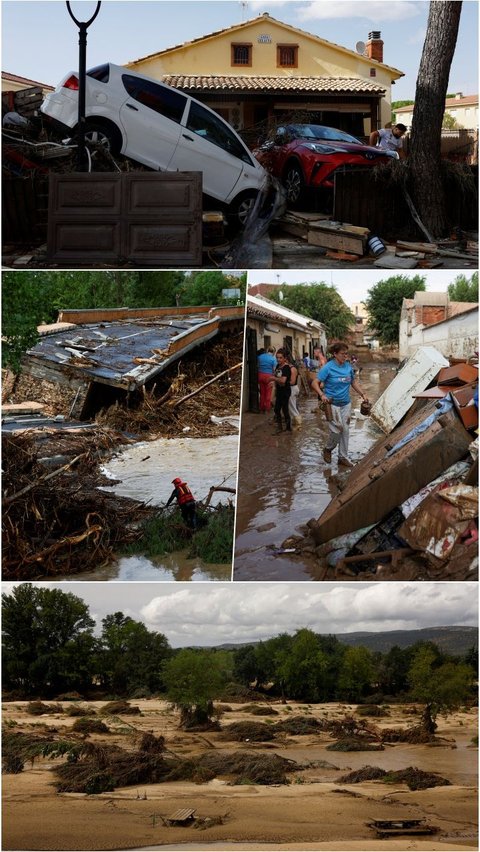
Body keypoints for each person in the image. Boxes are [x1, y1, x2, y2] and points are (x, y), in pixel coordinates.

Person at [311, 342, 368, 466]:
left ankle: (343, 457)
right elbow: (315, 383)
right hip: (332, 405)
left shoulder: (348, 367)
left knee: (346, 430)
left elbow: (353, 382)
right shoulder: (328, 367)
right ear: (335, 354)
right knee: (337, 430)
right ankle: (328, 449)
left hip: (346, 404)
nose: (345, 356)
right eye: (342, 354)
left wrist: (363, 394)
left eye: (346, 354)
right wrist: (322, 395)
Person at [269, 348, 291, 433]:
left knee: (284, 409)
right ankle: (281, 427)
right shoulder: (278, 366)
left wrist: (273, 378)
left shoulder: (286, 368)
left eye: (280, 358)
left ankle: (287, 428)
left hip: (285, 391)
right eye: (277, 357)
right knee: (277, 409)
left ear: (285, 358)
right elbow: (277, 376)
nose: (278, 359)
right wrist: (273, 382)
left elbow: (283, 380)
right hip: (279, 390)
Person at [257, 346, 277, 414]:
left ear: (267, 350)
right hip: (269, 376)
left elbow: (257, 365)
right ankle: (266, 409)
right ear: (273, 352)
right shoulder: (273, 359)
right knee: (268, 393)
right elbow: (274, 369)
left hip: (260, 375)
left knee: (262, 393)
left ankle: (261, 408)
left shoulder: (260, 356)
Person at [287, 352, 301, 426]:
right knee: (293, 406)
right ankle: (295, 424)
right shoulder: (291, 368)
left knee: (293, 408)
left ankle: (298, 424)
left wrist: (283, 382)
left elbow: (292, 382)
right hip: (293, 389)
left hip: (292, 389)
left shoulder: (292, 369)